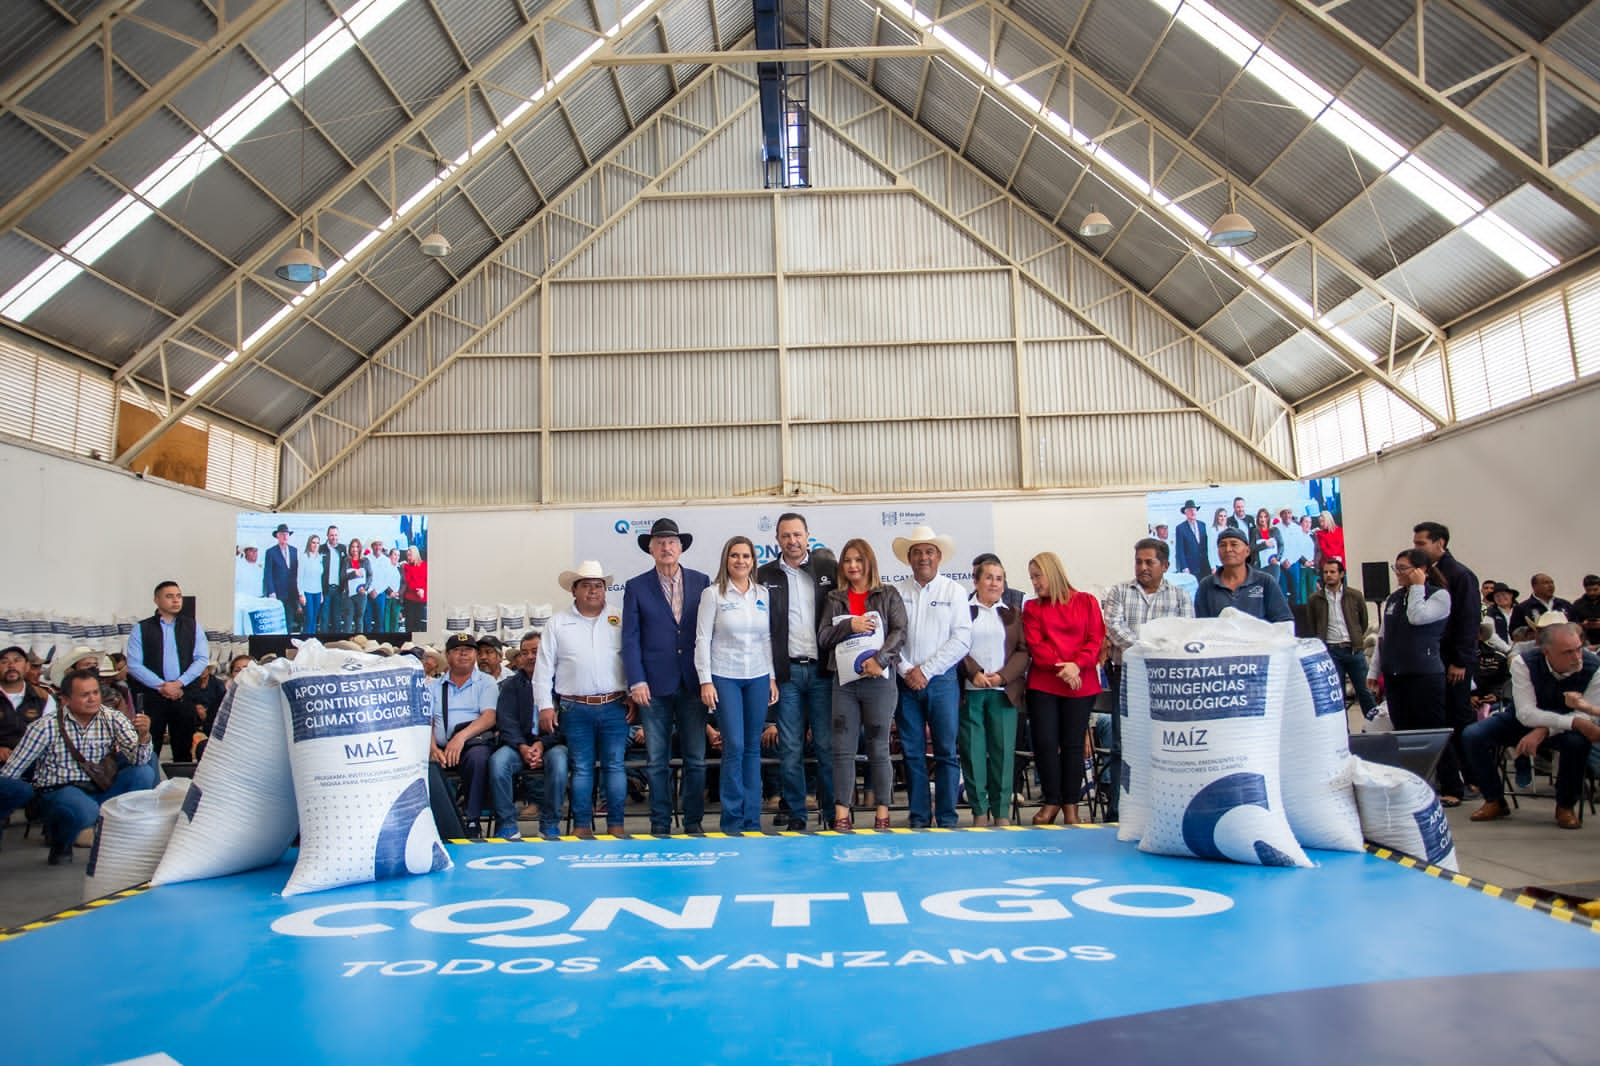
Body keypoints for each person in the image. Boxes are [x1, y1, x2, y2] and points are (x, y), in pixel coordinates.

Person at [0, 668, 156, 864]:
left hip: (99, 787)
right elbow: (12, 770)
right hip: (60, 791)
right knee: (83, 809)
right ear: (65, 699)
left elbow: (139, 760)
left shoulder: (113, 718)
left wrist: (143, 737)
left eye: (95, 693)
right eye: (84, 695)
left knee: (143, 772)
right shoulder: (45, 727)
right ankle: (61, 839)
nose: (92, 699)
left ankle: (118, 832)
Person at [1464, 622, 1600, 830]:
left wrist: (1545, 729)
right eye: (1568, 652)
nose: (1577, 657)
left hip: (1565, 725)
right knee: (1473, 735)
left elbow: (1587, 715)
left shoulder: (1594, 667)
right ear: (1547, 652)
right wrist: (1567, 722)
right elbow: (1526, 713)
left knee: (1577, 742)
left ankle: (1565, 805)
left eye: (1579, 649)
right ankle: (1494, 799)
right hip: (1522, 719)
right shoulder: (1523, 662)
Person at [622, 518, 711, 836]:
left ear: (681, 546)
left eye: (671, 541)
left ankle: (694, 823)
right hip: (652, 688)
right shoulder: (635, 586)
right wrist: (636, 680)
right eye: (659, 541)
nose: (666, 547)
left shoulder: (702, 582)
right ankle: (659, 824)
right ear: (650, 548)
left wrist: (707, 679)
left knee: (696, 760)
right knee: (657, 760)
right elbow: (630, 639)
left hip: (692, 683)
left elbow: (709, 633)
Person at [1100, 538, 1195, 821]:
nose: (1142, 567)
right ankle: (1118, 811)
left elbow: (1185, 634)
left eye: (1149, 562)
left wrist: (1149, 648)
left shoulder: (1179, 597)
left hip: (1166, 681)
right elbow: (1114, 629)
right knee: (1121, 745)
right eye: (1138, 561)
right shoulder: (1119, 591)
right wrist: (1151, 647)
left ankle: (1165, 810)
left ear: (1165, 566)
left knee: (1162, 745)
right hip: (1126, 676)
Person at [536, 561, 630, 839]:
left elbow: (632, 659)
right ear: (574, 590)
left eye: (598, 585)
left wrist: (634, 693)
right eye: (586, 585)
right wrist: (544, 705)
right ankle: (581, 826)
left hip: (615, 704)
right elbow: (543, 669)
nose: (593, 591)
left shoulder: (620, 618)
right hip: (574, 707)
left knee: (615, 766)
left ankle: (616, 825)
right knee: (582, 768)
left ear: (605, 589)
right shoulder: (557, 623)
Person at [757, 512, 838, 832]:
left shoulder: (827, 571)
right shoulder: (763, 574)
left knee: (826, 746)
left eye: (797, 535)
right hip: (786, 674)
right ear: (777, 539)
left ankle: (834, 814)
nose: (792, 541)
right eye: (785, 535)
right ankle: (796, 815)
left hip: (822, 671)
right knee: (789, 748)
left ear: (808, 536)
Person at [818, 538, 906, 831]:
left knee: (878, 748)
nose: (853, 566)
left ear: (869, 563)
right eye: (847, 560)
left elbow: (899, 631)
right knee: (842, 749)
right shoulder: (834, 598)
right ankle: (842, 814)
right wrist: (849, 626)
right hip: (844, 684)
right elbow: (823, 638)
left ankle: (883, 812)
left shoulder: (888, 593)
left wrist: (880, 660)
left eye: (858, 560)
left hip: (879, 682)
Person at [696, 536, 779, 834]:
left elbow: (767, 638)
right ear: (726, 560)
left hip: (757, 677)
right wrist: (705, 680)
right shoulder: (712, 595)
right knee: (735, 747)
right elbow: (703, 639)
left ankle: (752, 820)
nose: (741, 561)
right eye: (735, 556)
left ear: (753, 561)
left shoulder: (762, 594)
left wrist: (771, 676)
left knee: (753, 749)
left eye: (746, 556)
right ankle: (732, 822)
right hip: (725, 676)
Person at [891, 525, 971, 830]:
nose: (923, 557)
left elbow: (962, 639)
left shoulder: (955, 591)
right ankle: (920, 817)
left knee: (946, 752)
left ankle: (948, 818)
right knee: (912, 753)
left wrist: (925, 670)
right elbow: (890, 638)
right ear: (909, 558)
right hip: (905, 682)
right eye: (917, 552)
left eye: (928, 552)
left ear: (938, 557)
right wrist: (907, 670)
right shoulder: (896, 592)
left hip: (941, 682)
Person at [1022, 552, 1104, 826]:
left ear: (1053, 573)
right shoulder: (1033, 608)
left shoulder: (1086, 602)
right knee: (1045, 744)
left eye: (1038, 576)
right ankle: (1052, 800)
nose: (1034, 583)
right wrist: (1065, 669)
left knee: (1072, 745)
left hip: (1081, 684)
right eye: (1032, 577)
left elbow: (1095, 639)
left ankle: (1071, 804)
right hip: (1045, 683)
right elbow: (1038, 645)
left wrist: (1077, 665)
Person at [1367, 549, 1453, 798]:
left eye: (1403, 568)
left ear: (1421, 570)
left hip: (1424, 675)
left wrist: (1418, 587)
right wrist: (1375, 669)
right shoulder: (1393, 599)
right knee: (1403, 732)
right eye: (1396, 568)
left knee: (1431, 730)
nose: (1398, 573)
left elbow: (1417, 617)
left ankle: (1450, 785)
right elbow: (1384, 637)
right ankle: (1413, 784)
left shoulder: (1440, 597)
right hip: (1396, 675)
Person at [1413, 521, 1478, 803]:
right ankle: (1448, 776)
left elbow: (1468, 621)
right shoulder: (1424, 576)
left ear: (1440, 543)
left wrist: (1461, 661)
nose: (1417, 548)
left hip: (1454, 661)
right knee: (1438, 720)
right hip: (1431, 661)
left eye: (1421, 544)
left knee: (1459, 719)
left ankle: (1474, 777)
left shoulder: (1460, 575)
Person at [960, 557, 1028, 826]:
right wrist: (973, 672)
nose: (994, 583)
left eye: (999, 578)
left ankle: (1001, 813)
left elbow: (1023, 651)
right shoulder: (963, 611)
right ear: (976, 581)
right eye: (988, 577)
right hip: (971, 691)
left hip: (1003, 693)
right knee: (973, 754)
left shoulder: (1012, 613)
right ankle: (979, 812)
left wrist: (1003, 676)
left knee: (1002, 753)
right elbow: (956, 646)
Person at [492, 629, 568, 841]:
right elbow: (506, 722)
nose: (530, 657)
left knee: (560, 763)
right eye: (524, 653)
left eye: (535, 651)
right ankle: (507, 824)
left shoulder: (561, 683)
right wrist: (522, 747)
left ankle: (550, 823)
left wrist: (543, 744)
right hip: (518, 746)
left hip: (552, 745)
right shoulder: (510, 686)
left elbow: (566, 723)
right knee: (498, 763)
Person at [125, 580, 208, 761]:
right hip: (153, 695)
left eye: (178, 596)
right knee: (150, 746)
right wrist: (162, 686)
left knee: (183, 747)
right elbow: (134, 664)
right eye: (169, 596)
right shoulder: (142, 628)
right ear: (156, 600)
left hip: (183, 694)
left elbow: (201, 659)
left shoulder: (193, 626)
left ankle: (181, 786)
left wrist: (179, 683)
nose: (176, 600)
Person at [429, 632, 499, 838]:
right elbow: (428, 722)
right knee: (427, 765)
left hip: (472, 743)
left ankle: (472, 819)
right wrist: (432, 747)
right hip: (441, 747)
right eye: (457, 651)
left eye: (468, 650)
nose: (463, 655)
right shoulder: (434, 686)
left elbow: (489, 717)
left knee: (478, 759)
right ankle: (439, 823)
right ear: (448, 656)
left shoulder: (485, 682)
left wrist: (460, 738)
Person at [1308, 559, 1377, 720]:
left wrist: (1356, 638)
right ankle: (1342, 732)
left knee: (1365, 691)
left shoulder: (1354, 595)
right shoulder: (1315, 599)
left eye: (1332, 572)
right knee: (1335, 693)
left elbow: (1363, 621)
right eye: (1325, 572)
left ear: (1341, 574)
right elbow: (1312, 625)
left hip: (1353, 650)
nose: (1328, 575)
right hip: (1331, 651)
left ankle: (1374, 725)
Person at [1195, 528, 1293, 622]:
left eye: (1234, 544)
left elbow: (1284, 621)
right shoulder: (1206, 585)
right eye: (1223, 545)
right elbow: (1201, 626)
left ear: (1247, 551)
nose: (1228, 549)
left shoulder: (1265, 582)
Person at [1509, 573, 1575, 635]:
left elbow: (1575, 624)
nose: (1550, 586)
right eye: (1546, 583)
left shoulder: (1564, 604)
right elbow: (1514, 632)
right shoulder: (1522, 608)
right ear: (1534, 586)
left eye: (1552, 582)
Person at [262, 522, 299, 626]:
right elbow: (268, 574)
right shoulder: (271, 552)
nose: (284, 536)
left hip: (291, 593)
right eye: (282, 534)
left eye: (286, 534)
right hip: (277, 593)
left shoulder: (294, 550)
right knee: (278, 621)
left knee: (289, 620)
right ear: (277, 536)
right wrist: (271, 592)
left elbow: (297, 572)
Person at [321, 526, 351, 634]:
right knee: (324, 618)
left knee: (336, 618)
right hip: (326, 589)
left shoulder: (343, 548)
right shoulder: (321, 549)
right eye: (332, 535)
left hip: (338, 589)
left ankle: (336, 643)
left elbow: (348, 566)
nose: (334, 537)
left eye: (336, 535)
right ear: (327, 536)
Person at [298, 533, 325, 634]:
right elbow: (299, 577)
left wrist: (321, 593)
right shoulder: (304, 557)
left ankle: (312, 640)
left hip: (317, 592)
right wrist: (301, 594)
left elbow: (319, 578)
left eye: (317, 543)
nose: (315, 545)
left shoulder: (319, 558)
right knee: (309, 618)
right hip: (307, 592)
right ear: (309, 543)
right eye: (313, 542)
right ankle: (306, 639)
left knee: (314, 618)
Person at [343, 537, 371, 631]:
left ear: (360, 548)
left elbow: (370, 576)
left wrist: (365, 588)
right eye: (353, 547)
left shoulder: (365, 561)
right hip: (348, 595)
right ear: (350, 548)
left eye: (357, 547)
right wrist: (353, 574)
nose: (355, 549)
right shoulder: (346, 561)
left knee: (359, 619)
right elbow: (342, 577)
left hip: (361, 594)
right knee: (348, 619)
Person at [1173, 499, 1208, 578]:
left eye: (1194, 510)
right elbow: (1180, 550)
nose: (1192, 512)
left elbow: (1207, 546)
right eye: (1190, 510)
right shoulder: (1180, 528)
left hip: (1204, 566)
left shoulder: (1202, 525)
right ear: (1185, 512)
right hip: (1191, 567)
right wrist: (1184, 567)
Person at [400, 546, 428, 633]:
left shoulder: (425, 565)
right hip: (410, 598)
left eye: (410, 555)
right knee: (410, 622)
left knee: (418, 622)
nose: (408, 557)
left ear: (415, 555)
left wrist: (423, 590)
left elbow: (427, 580)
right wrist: (418, 590)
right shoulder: (406, 566)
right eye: (407, 555)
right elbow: (409, 581)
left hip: (421, 597)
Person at [1571, 575, 1600, 648]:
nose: (1592, 593)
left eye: (1595, 590)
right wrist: (1582, 625)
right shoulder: (1578, 604)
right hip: (1585, 642)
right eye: (1588, 590)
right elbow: (1571, 624)